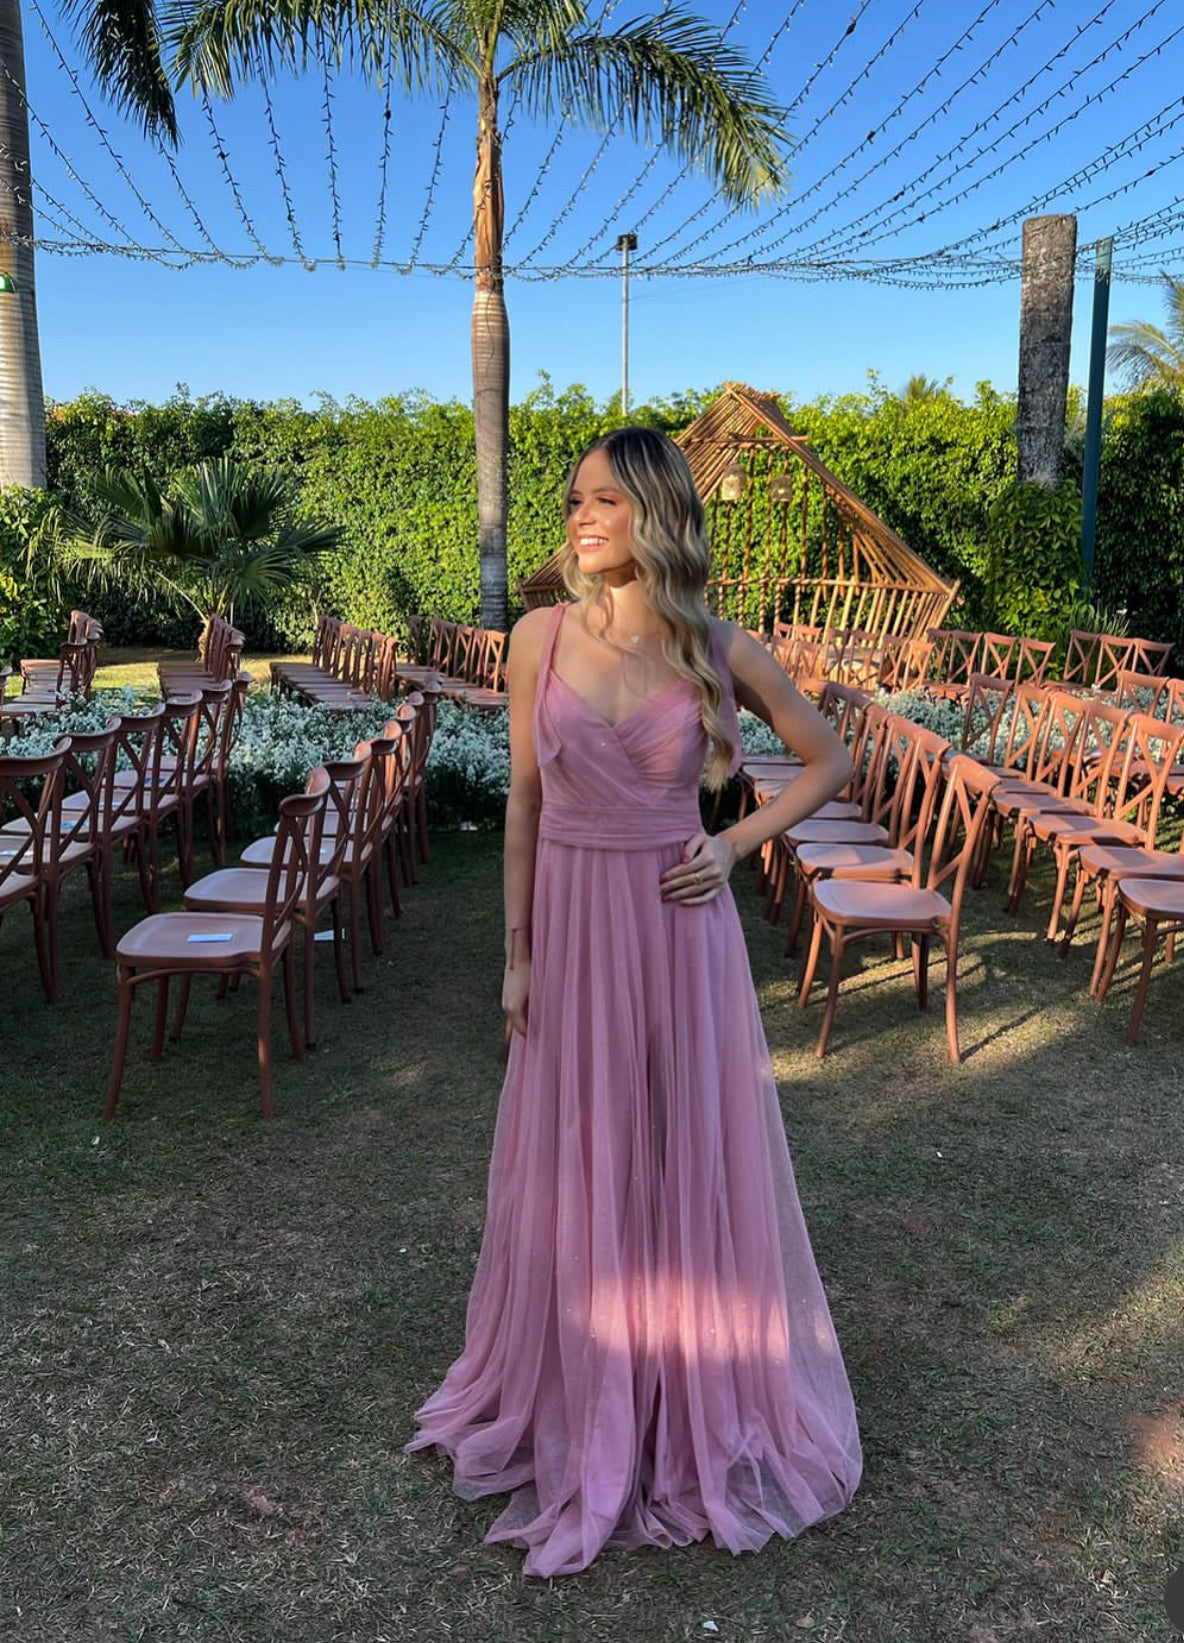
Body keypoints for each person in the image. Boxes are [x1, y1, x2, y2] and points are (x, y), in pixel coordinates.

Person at [405, 427, 862, 1577]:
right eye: (573, 498)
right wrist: (514, 952)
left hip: (673, 930)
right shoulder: (537, 637)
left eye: (603, 498)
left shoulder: (714, 643)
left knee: (673, 1147)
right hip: (568, 927)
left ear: (654, 510)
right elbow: (521, 802)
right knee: (579, 1150)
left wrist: (735, 842)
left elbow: (828, 758)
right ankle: (582, 1379)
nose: (579, 515)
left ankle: (676, 1394)